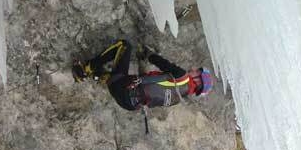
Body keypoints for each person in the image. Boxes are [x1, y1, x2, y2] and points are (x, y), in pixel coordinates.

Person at [72, 39, 213, 111]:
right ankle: (100, 76)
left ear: (198, 80)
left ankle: (84, 71)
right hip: (128, 104)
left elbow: (162, 63)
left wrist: (147, 53)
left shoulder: (181, 76)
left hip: (124, 88)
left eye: (197, 71)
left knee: (125, 45)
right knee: (118, 77)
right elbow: (151, 89)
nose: (194, 69)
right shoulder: (179, 97)